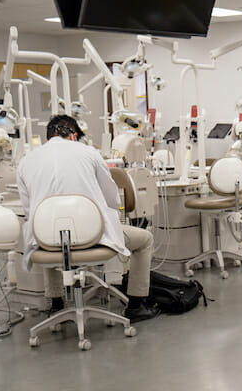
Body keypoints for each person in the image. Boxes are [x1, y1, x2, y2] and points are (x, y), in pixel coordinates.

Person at [17, 114, 160, 322]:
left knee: (48, 230)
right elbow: (111, 198)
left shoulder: (26, 161)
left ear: (48, 137)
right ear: (74, 135)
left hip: (47, 243)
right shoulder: (90, 153)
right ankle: (136, 306)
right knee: (145, 239)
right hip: (92, 240)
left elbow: (30, 210)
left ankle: (57, 304)